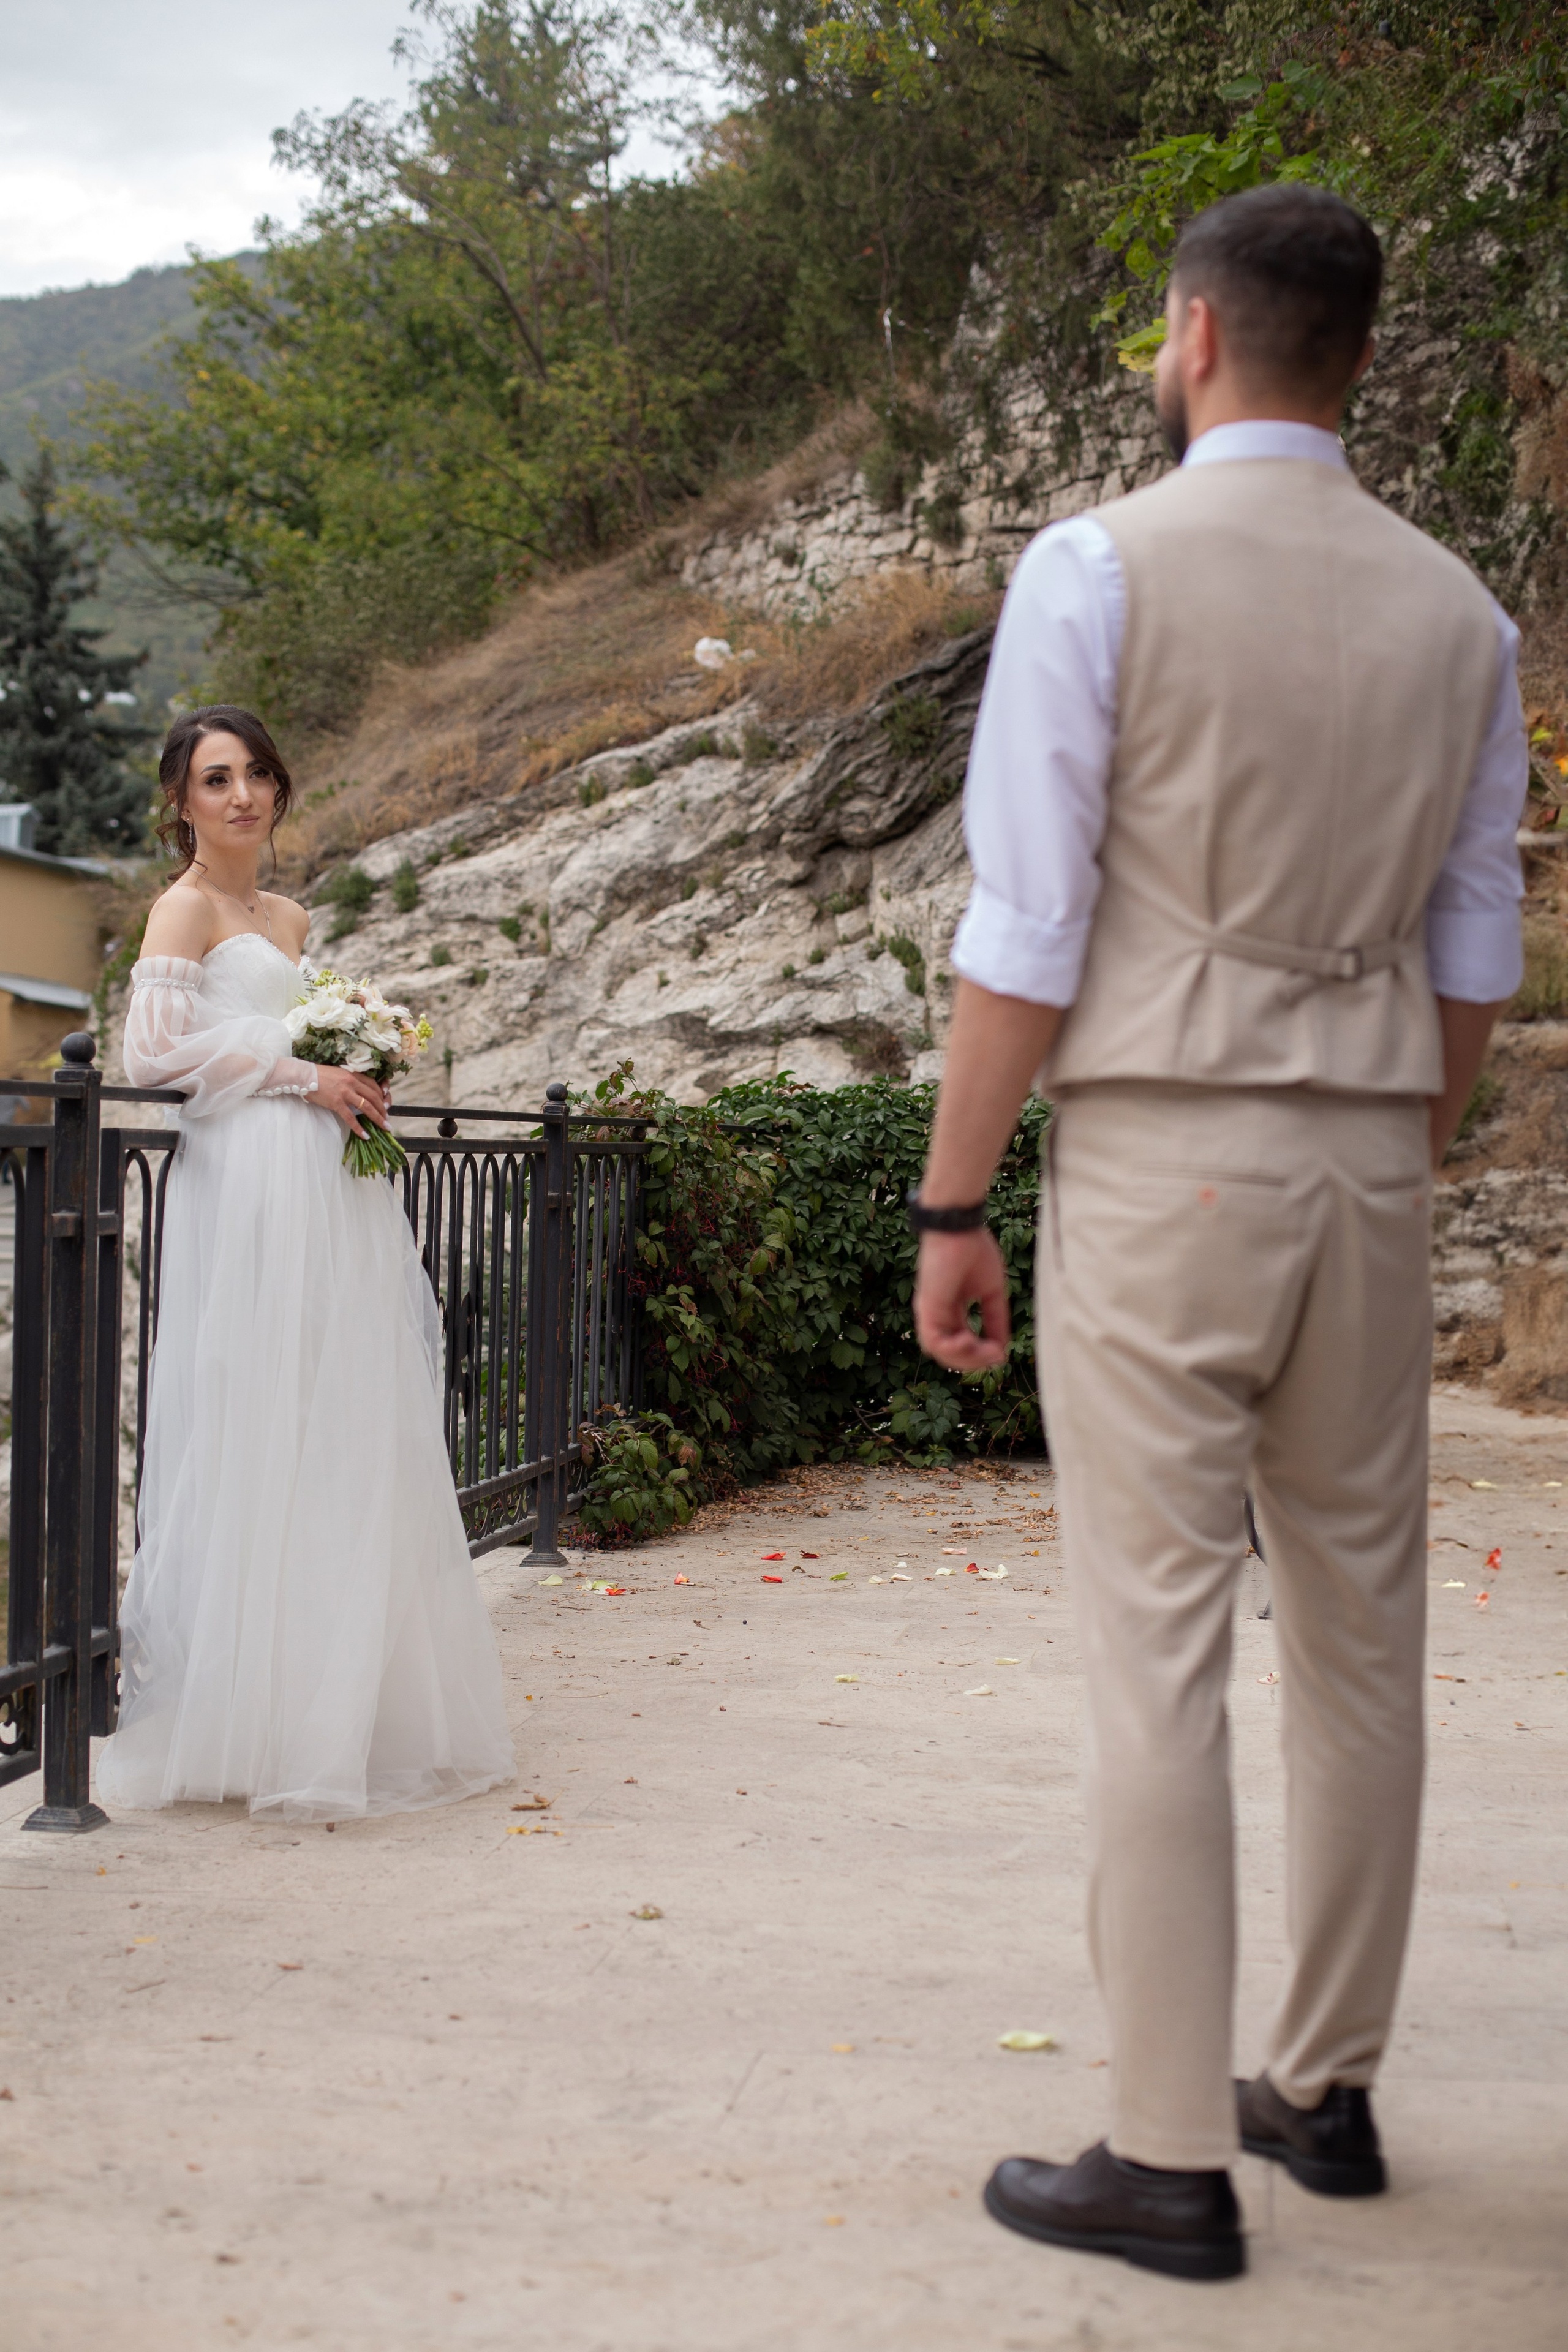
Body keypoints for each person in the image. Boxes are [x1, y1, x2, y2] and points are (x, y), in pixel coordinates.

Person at [911, 184, 1525, 2280]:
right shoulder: (1466, 615)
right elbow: (1474, 946)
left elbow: (1028, 925)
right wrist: (1394, 1135)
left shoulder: (1098, 570)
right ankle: (1324, 2089)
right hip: (1367, 1153)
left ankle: (1165, 2153)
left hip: (1166, 1139)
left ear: (1192, 336)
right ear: (1356, 355)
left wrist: (954, 1194)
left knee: (1156, 1639)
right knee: (1364, 1632)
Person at [96, 707, 515, 1822]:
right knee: (252, 1413)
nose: (240, 796)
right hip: (246, 1184)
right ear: (182, 802)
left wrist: (351, 1068)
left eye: (255, 776)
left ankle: (322, 1710)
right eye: (214, 779)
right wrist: (300, 1072)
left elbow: (281, 1039)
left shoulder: (287, 913)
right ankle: (232, 1716)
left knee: (336, 1420)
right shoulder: (181, 908)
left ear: (279, 791)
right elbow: (151, 1058)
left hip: (325, 1191)